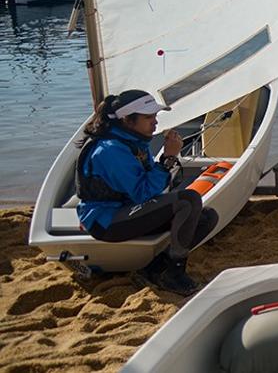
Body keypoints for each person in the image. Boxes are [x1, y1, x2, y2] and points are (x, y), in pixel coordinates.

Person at [75, 90, 219, 296]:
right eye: (148, 117)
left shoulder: (133, 142)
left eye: (155, 117)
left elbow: (149, 188)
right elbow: (142, 193)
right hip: (105, 221)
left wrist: (167, 162)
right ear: (127, 119)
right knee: (188, 200)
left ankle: (154, 269)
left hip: (126, 211)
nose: (155, 123)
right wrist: (168, 157)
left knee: (206, 217)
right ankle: (174, 274)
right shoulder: (110, 150)